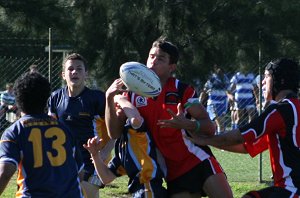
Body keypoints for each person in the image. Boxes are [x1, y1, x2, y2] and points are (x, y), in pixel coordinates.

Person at [105, 38, 233, 198]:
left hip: (196, 159)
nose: (153, 61)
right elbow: (114, 134)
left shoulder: (181, 90)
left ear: (171, 67)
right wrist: (109, 98)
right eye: (151, 56)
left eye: (160, 58)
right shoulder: (131, 93)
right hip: (173, 172)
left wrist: (187, 124)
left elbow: (210, 127)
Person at [185, 58, 300, 197]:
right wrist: (209, 140)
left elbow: (240, 136)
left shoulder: (281, 110)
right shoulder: (292, 110)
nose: (262, 82)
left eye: (267, 76)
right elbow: (246, 146)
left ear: (280, 80)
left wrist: (204, 139)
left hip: (292, 190)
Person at [0, 72, 84, 197]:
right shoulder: (64, 129)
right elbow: (80, 173)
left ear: (17, 100)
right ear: (46, 99)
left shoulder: (14, 132)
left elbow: (5, 173)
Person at [48, 53, 114, 198]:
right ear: (63, 75)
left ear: (86, 74)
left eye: (79, 69)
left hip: (91, 159)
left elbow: (115, 129)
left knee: (85, 191)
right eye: (70, 69)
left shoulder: (97, 98)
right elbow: (49, 130)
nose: (74, 72)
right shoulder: (55, 97)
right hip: (63, 160)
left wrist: (104, 152)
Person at [84, 94, 167, 198]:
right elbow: (106, 178)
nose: (117, 106)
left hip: (149, 187)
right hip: (138, 191)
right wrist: (95, 155)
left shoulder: (134, 131)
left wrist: (119, 98)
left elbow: (136, 119)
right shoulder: (121, 145)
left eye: (120, 105)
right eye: (114, 106)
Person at [200, 64, 230, 134]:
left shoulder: (225, 78)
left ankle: (218, 139)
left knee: (220, 124)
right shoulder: (212, 78)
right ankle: (219, 141)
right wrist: (199, 102)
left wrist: (231, 99)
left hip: (223, 104)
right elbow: (204, 91)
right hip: (213, 103)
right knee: (219, 123)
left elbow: (228, 91)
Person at [227, 64, 258, 128]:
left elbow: (255, 88)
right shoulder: (237, 76)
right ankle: (235, 130)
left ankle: (249, 131)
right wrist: (230, 96)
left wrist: (257, 98)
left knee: (252, 115)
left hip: (249, 99)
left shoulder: (251, 75)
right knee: (239, 118)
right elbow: (230, 89)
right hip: (239, 99)